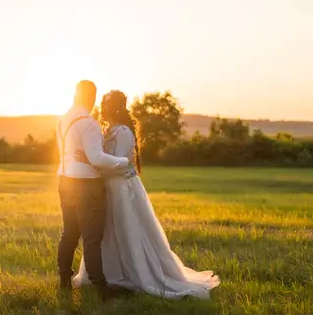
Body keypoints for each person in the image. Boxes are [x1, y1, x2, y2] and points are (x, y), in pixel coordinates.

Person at [73, 90, 220, 299]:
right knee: (107, 232)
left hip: (122, 190)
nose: (101, 109)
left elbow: (117, 164)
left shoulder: (123, 132)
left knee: (128, 229)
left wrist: (90, 161)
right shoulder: (109, 130)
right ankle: (108, 273)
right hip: (109, 188)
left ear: (115, 107)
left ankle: (138, 273)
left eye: (106, 105)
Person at [56, 80, 132, 300]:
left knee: (69, 232)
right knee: (91, 237)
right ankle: (100, 287)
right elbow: (96, 158)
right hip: (86, 184)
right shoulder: (88, 123)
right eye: (94, 97)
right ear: (90, 96)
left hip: (64, 181)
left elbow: (72, 152)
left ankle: (64, 281)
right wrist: (123, 162)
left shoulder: (63, 120)